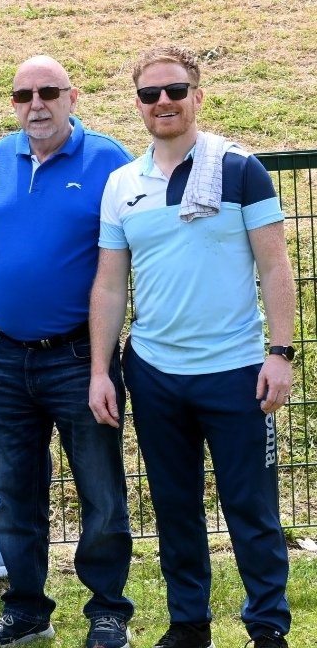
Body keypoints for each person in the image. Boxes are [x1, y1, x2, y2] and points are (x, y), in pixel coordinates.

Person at [89, 46, 294, 648]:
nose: (163, 102)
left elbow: (275, 267)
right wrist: (100, 370)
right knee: (175, 509)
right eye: (150, 94)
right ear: (138, 105)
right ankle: (188, 625)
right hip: (155, 374)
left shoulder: (240, 168)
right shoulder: (122, 184)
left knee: (251, 509)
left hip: (236, 372)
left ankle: (267, 627)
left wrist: (279, 353)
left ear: (197, 96)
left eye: (175, 90)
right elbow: (109, 284)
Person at [0, 56, 134, 648]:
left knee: (101, 494)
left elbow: (125, 259)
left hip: (78, 360)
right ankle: (26, 611)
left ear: (72, 96)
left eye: (47, 92)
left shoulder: (109, 161)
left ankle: (108, 611)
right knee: (14, 496)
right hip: (6, 360)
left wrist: (103, 364)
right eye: (22, 95)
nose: (35, 104)